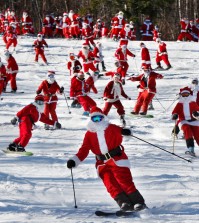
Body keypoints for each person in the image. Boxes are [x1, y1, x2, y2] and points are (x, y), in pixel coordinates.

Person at [67, 106, 146, 212]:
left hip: (117, 159)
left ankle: (138, 202)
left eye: (99, 118)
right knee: (110, 184)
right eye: (94, 119)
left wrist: (126, 132)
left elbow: (122, 131)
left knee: (123, 180)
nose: (97, 121)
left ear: (103, 118)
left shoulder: (111, 128)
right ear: (91, 120)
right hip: (102, 163)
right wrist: (75, 160)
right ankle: (124, 203)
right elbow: (84, 150)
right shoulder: (89, 134)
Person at [172, 87, 199, 156]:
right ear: (181, 95)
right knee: (187, 130)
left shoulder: (193, 103)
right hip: (184, 121)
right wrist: (175, 115)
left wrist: (196, 113)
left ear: (189, 94)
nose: (185, 96)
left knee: (197, 134)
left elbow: (197, 110)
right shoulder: (179, 103)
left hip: (194, 121)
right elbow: (175, 111)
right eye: (183, 95)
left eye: (186, 94)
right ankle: (190, 148)